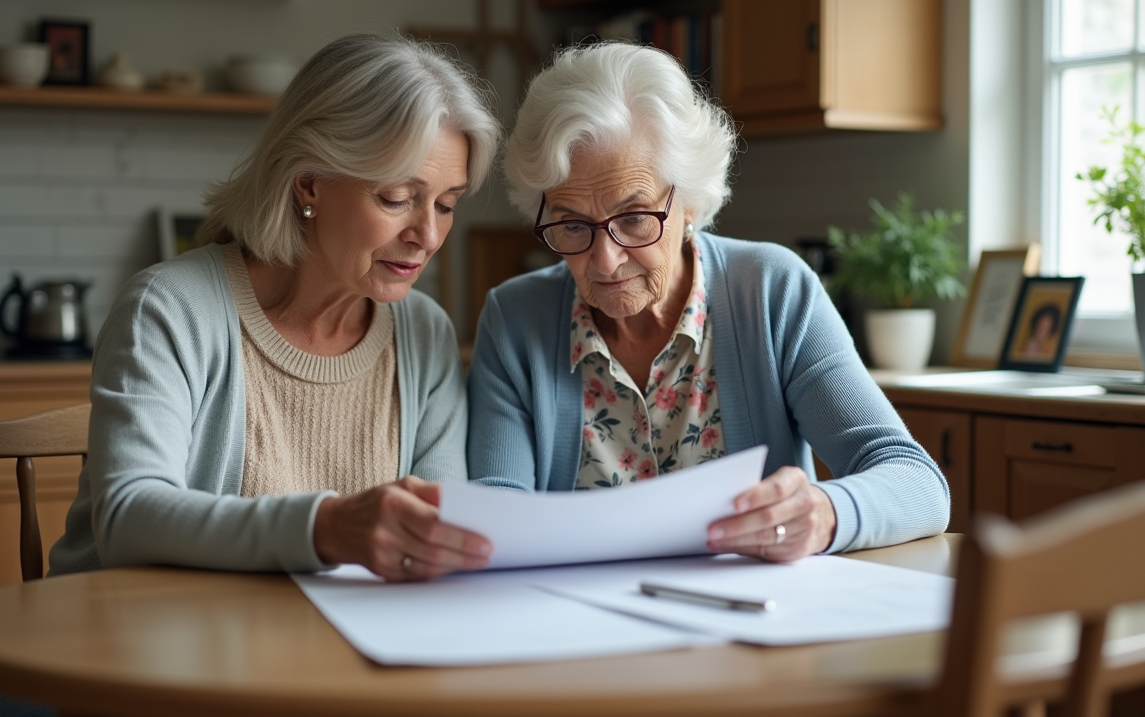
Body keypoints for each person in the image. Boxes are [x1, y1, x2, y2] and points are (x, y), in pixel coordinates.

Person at [467, 42, 949, 562]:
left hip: (751, 627)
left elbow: (916, 482)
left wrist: (826, 513)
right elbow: (497, 516)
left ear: (690, 201)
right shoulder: (515, 319)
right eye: (571, 224)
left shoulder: (771, 292)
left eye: (633, 219)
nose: (604, 261)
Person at [48, 34, 500, 583]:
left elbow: (439, 535)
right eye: (397, 198)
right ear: (308, 184)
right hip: (134, 643)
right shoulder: (168, 311)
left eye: (447, 204)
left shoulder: (424, 333)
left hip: (313, 652)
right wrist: (328, 528)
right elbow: (128, 520)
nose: (428, 235)